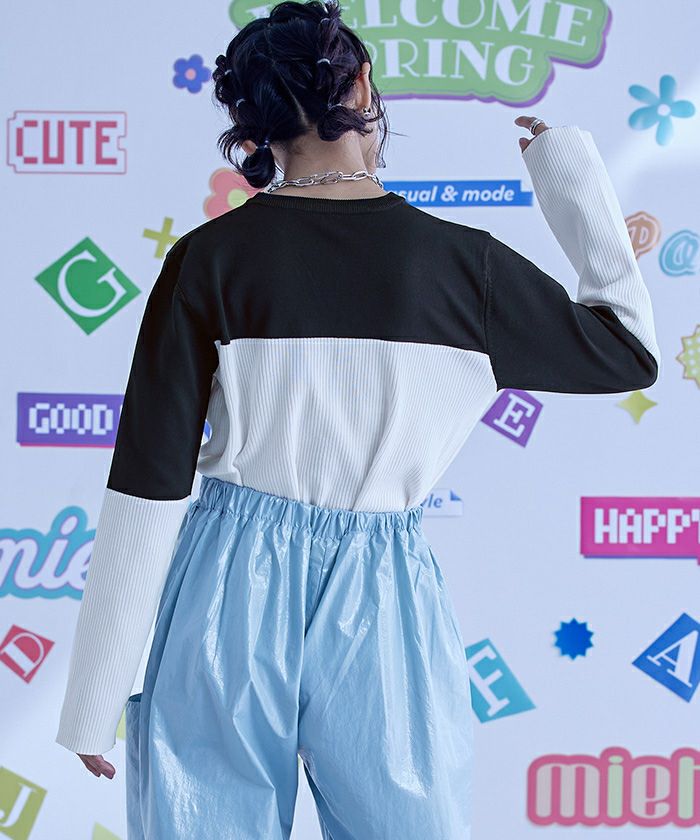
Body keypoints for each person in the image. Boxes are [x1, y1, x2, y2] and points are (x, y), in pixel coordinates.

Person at [54, 0, 660, 837]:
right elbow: (627, 351)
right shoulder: (466, 265)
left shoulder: (210, 259)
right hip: (383, 591)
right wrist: (572, 182)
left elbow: (149, 479)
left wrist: (94, 697)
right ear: (364, 87)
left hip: (226, 581)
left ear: (252, 122)